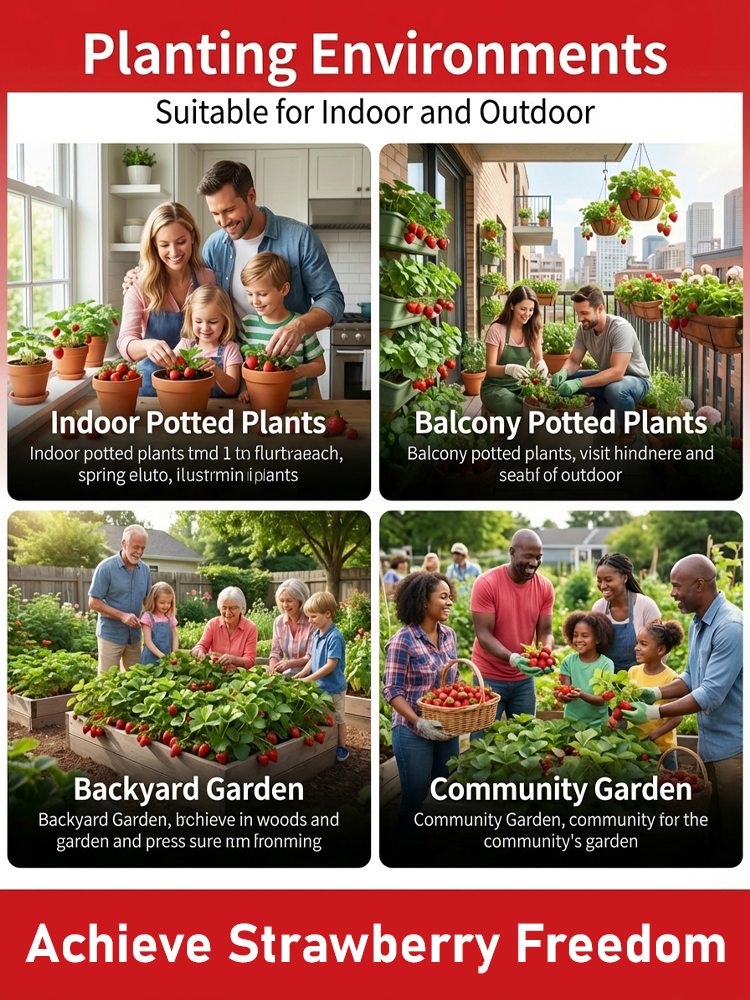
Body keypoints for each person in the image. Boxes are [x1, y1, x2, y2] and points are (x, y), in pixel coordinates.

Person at [622, 555, 742, 849]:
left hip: (734, 748)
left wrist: (654, 712)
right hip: (711, 743)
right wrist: (656, 693)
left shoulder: (730, 627)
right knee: (714, 824)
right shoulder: (700, 622)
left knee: (735, 829)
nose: (672, 592)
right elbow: (692, 676)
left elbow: (710, 694)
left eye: (677, 586)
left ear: (699, 585)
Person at [197, 160, 344, 354]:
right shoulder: (214, 247)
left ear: (251, 196)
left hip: (290, 368)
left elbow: (331, 297)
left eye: (229, 210)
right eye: (215, 213)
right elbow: (200, 300)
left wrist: (298, 326)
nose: (223, 222)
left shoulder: (299, 238)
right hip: (233, 370)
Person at [383, 572, 459, 831]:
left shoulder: (449, 635)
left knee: (443, 793)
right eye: (443, 597)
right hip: (412, 730)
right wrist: (419, 721)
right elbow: (392, 691)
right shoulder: (402, 641)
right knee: (415, 800)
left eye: (450, 597)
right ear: (423, 601)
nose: (449, 602)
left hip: (447, 728)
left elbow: (452, 681)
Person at [117, 202, 217, 395]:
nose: (174, 252)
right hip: (150, 390)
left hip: (197, 384)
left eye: (181, 242)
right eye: (164, 245)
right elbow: (125, 342)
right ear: (154, 244)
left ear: (193, 238)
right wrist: (148, 345)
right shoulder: (138, 284)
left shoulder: (207, 279)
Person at [470, 529, 555, 720]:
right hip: (489, 675)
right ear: (512, 552)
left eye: (538, 557)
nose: (534, 563)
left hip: (524, 680)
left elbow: (546, 631)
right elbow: (484, 635)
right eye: (528, 556)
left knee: (528, 738)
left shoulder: (545, 587)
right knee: (483, 738)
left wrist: (545, 653)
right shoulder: (487, 583)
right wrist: (513, 659)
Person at [551, 283, 651, 434]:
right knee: (565, 381)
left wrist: (578, 383)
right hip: (608, 376)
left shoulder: (620, 328)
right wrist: (563, 372)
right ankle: (600, 407)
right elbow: (573, 361)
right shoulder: (584, 329)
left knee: (615, 389)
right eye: (578, 313)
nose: (579, 318)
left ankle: (629, 428)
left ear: (600, 308)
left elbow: (617, 372)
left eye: (584, 313)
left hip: (635, 380)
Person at [238, 251, 325, 400]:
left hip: (295, 406)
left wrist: (296, 371)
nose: (255, 301)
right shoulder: (247, 323)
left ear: (284, 289)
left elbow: (320, 366)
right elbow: (241, 365)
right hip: (258, 403)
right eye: (249, 294)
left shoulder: (301, 326)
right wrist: (245, 389)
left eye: (262, 294)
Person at [612, 620, 685, 771]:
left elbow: (677, 717)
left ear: (660, 650)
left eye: (643, 644)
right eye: (637, 643)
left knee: (667, 786)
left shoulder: (671, 678)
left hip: (663, 748)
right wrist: (616, 718)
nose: (636, 648)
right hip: (635, 742)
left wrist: (654, 735)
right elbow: (627, 703)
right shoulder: (633, 671)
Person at [88, 525, 152, 675]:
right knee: (106, 682)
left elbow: (148, 602)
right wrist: (122, 616)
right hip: (111, 635)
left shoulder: (145, 570)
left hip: (134, 636)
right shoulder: (106, 568)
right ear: (124, 543)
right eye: (136, 547)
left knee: (136, 680)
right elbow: (93, 602)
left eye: (143, 548)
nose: (140, 552)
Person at [297, 591, 349, 762]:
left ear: (327, 614)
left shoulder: (335, 637)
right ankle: (326, 746)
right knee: (321, 716)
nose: (309, 621)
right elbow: (312, 659)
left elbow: (330, 665)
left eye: (313, 616)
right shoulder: (316, 634)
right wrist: (302, 673)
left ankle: (342, 747)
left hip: (333, 687)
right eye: (308, 617)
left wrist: (308, 679)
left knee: (339, 718)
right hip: (318, 687)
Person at [481, 285, 548, 417]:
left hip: (523, 386)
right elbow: (490, 368)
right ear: (512, 306)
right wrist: (508, 369)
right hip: (496, 388)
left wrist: (542, 367)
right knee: (512, 404)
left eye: (531, 310)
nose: (527, 314)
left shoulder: (535, 329)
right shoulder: (497, 329)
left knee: (545, 401)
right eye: (523, 309)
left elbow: (538, 359)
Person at [592, 552, 662, 671]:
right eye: (599, 580)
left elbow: (660, 649)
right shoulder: (599, 608)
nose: (603, 586)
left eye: (608, 580)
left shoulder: (646, 606)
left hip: (640, 681)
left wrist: (652, 680)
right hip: (605, 681)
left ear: (624, 578)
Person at [177, 285, 242, 398]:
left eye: (213, 322)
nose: (205, 328)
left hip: (221, 410)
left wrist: (217, 371)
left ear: (225, 321)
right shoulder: (185, 345)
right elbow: (170, 370)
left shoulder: (230, 349)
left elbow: (232, 389)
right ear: (190, 319)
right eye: (198, 321)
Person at [556, 611, 614, 729]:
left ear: (597, 639)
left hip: (598, 725)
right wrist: (561, 696)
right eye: (575, 635)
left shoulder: (606, 664)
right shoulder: (568, 662)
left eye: (585, 636)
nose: (578, 640)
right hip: (571, 724)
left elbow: (603, 700)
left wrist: (581, 695)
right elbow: (566, 691)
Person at [191, 586, 257, 669]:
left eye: (232, 608)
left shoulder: (250, 628)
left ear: (242, 609)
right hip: (216, 674)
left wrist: (234, 660)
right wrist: (198, 651)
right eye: (224, 608)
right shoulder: (212, 624)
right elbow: (201, 645)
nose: (227, 612)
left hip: (239, 677)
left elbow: (250, 661)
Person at [267, 578, 313, 676]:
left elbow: (312, 656)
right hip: (289, 675)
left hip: (310, 675)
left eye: (289, 601)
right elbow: (275, 652)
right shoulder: (278, 622)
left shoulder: (312, 623)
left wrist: (289, 664)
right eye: (282, 601)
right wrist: (273, 668)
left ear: (300, 601)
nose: (285, 605)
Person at [139, 582, 179, 667]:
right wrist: (162, 656)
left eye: (169, 603)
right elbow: (148, 642)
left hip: (167, 659)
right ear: (153, 600)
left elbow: (174, 637)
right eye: (162, 602)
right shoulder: (147, 617)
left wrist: (174, 654)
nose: (166, 605)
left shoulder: (170, 617)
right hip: (150, 660)